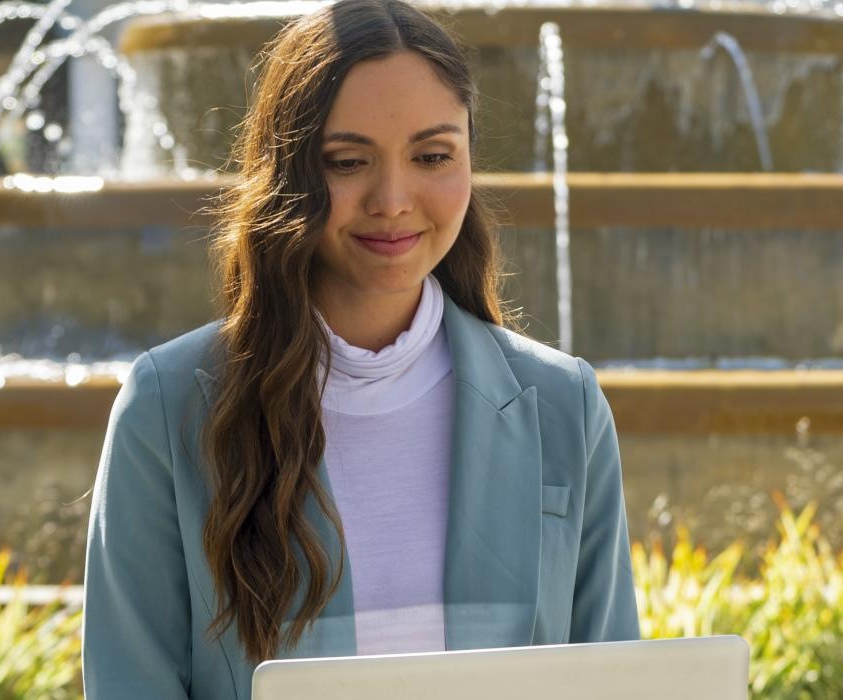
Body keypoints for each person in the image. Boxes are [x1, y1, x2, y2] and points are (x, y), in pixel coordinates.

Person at [80, 1, 640, 696]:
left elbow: (617, 679)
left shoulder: (564, 406)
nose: (394, 198)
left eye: (433, 156)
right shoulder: (168, 408)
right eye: (348, 161)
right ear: (287, 171)